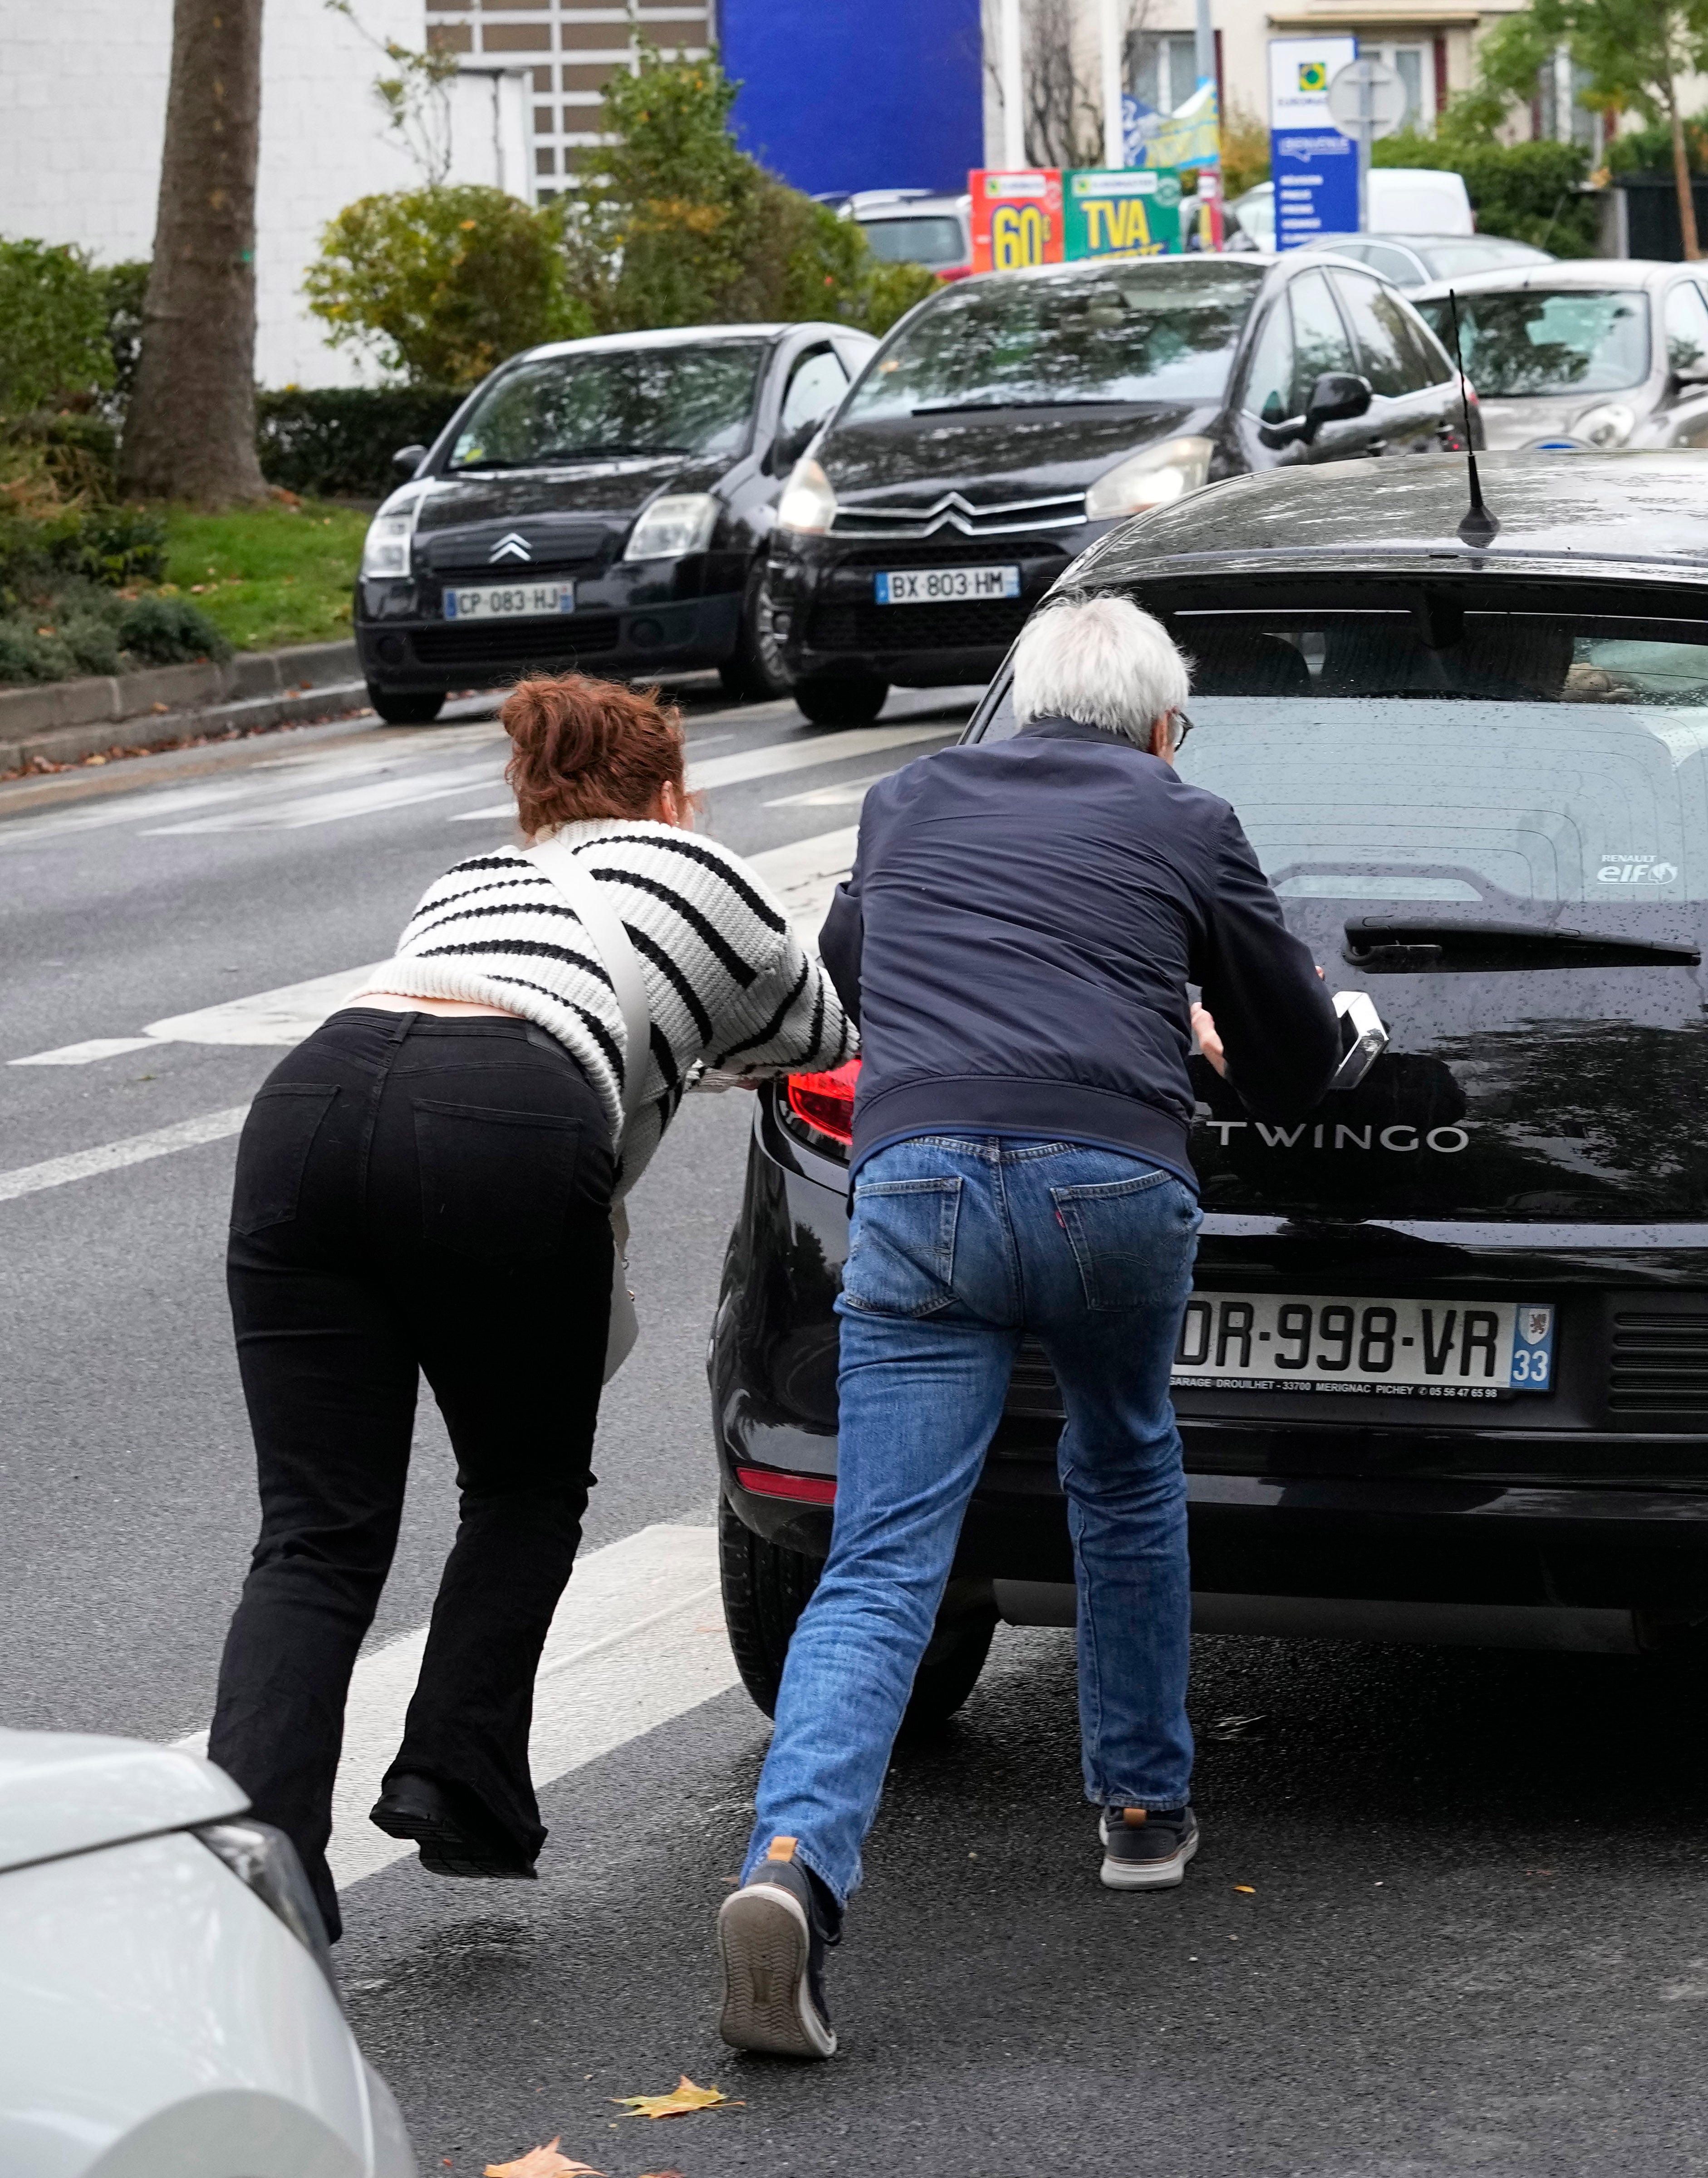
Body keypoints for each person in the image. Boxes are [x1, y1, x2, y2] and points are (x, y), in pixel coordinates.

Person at [717, 593, 1342, 2062]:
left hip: (922, 1183)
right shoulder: (1185, 816)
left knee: (879, 1560)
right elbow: (1298, 1051)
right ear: (1160, 726)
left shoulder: (902, 803)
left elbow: (855, 988)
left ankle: (793, 1867)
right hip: (1111, 1184)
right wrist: (1191, 1017)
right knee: (1122, 1462)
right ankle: (1141, 1807)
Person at [209, 677, 854, 1935]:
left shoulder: (466, 886)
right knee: (520, 1483)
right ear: (670, 793)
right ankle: (459, 1779)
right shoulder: (699, 871)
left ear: (532, 795)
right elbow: (822, 1031)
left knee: (316, 1533)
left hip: (307, 1107)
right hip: (505, 1119)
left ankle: (253, 1865)